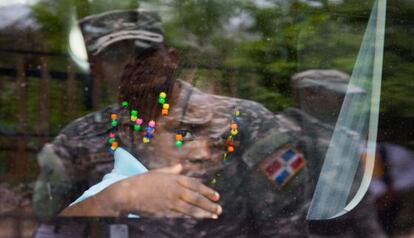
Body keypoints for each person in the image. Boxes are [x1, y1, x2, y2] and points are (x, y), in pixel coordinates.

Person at [33, 9, 311, 237]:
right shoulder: (80, 138)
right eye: (116, 55)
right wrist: (113, 198)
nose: (134, 63)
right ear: (97, 70)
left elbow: (288, 225)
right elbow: (47, 227)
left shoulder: (247, 122)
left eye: (145, 52)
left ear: (172, 59)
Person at [282, 69, 386, 238]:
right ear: (310, 94)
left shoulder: (347, 138)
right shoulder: (283, 134)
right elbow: (272, 204)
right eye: (340, 96)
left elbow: (360, 202)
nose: (347, 102)